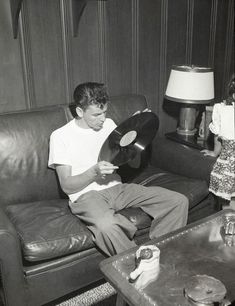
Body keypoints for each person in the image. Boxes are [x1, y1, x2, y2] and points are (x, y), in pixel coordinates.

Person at [48, 82, 188, 256]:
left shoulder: (108, 124)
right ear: (79, 111)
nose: (102, 118)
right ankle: (136, 265)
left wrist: (135, 130)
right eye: (96, 114)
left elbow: (130, 162)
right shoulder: (60, 136)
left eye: (104, 112)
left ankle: (160, 254)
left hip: (118, 188)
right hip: (86, 196)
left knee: (177, 201)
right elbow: (67, 186)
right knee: (107, 226)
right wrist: (94, 172)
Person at [201, 74, 235, 209]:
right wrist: (215, 153)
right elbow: (217, 135)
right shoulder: (222, 110)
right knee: (226, 198)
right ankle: (227, 222)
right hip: (229, 159)